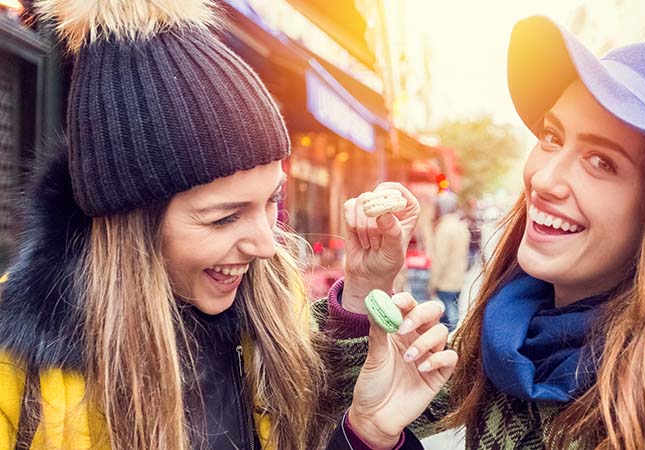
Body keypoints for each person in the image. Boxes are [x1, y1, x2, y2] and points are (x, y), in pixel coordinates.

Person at [0, 1, 454, 449]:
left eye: (272, 199)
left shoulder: (277, 309)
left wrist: (367, 432)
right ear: (131, 221)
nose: (265, 245)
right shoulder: (16, 365)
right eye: (225, 217)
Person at [330, 16, 645, 449]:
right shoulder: (512, 332)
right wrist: (367, 288)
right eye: (552, 137)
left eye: (601, 162)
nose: (544, 178)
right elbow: (329, 406)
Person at [428, 192, 471, 329]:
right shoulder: (461, 226)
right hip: (458, 280)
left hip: (445, 282)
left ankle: (452, 339)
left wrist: (432, 284)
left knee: (450, 319)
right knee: (454, 312)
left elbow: (440, 259)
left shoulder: (444, 228)